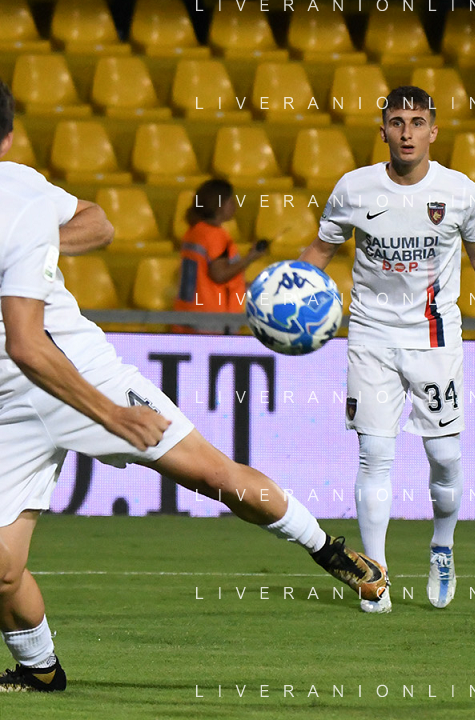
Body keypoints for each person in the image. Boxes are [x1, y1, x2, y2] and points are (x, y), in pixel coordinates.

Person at [0, 80, 387, 693]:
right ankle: (40, 668)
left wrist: (112, 413)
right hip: (8, 406)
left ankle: (328, 550)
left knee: (215, 476)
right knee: (2, 569)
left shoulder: (19, 190)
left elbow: (96, 224)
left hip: (83, 372)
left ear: (4, 142)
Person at [298, 86, 475, 613]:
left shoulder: (459, 192)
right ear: (383, 130)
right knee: (375, 454)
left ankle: (443, 545)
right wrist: (287, 295)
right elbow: (321, 249)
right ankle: (374, 576)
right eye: (397, 122)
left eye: (416, 123)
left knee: (445, 456)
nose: (407, 132)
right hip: (371, 337)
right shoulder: (354, 188)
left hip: (435, 339)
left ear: (433, 132)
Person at [174, 178, 267, 330]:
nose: (235, 206)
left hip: (188, 315)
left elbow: (205, 279)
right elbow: (219, 275)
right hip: (211, 322)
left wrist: (249, 286)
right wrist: (250, 258)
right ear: (220, 205)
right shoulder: (216, 235)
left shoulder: (193, 232)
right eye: (231, 201)